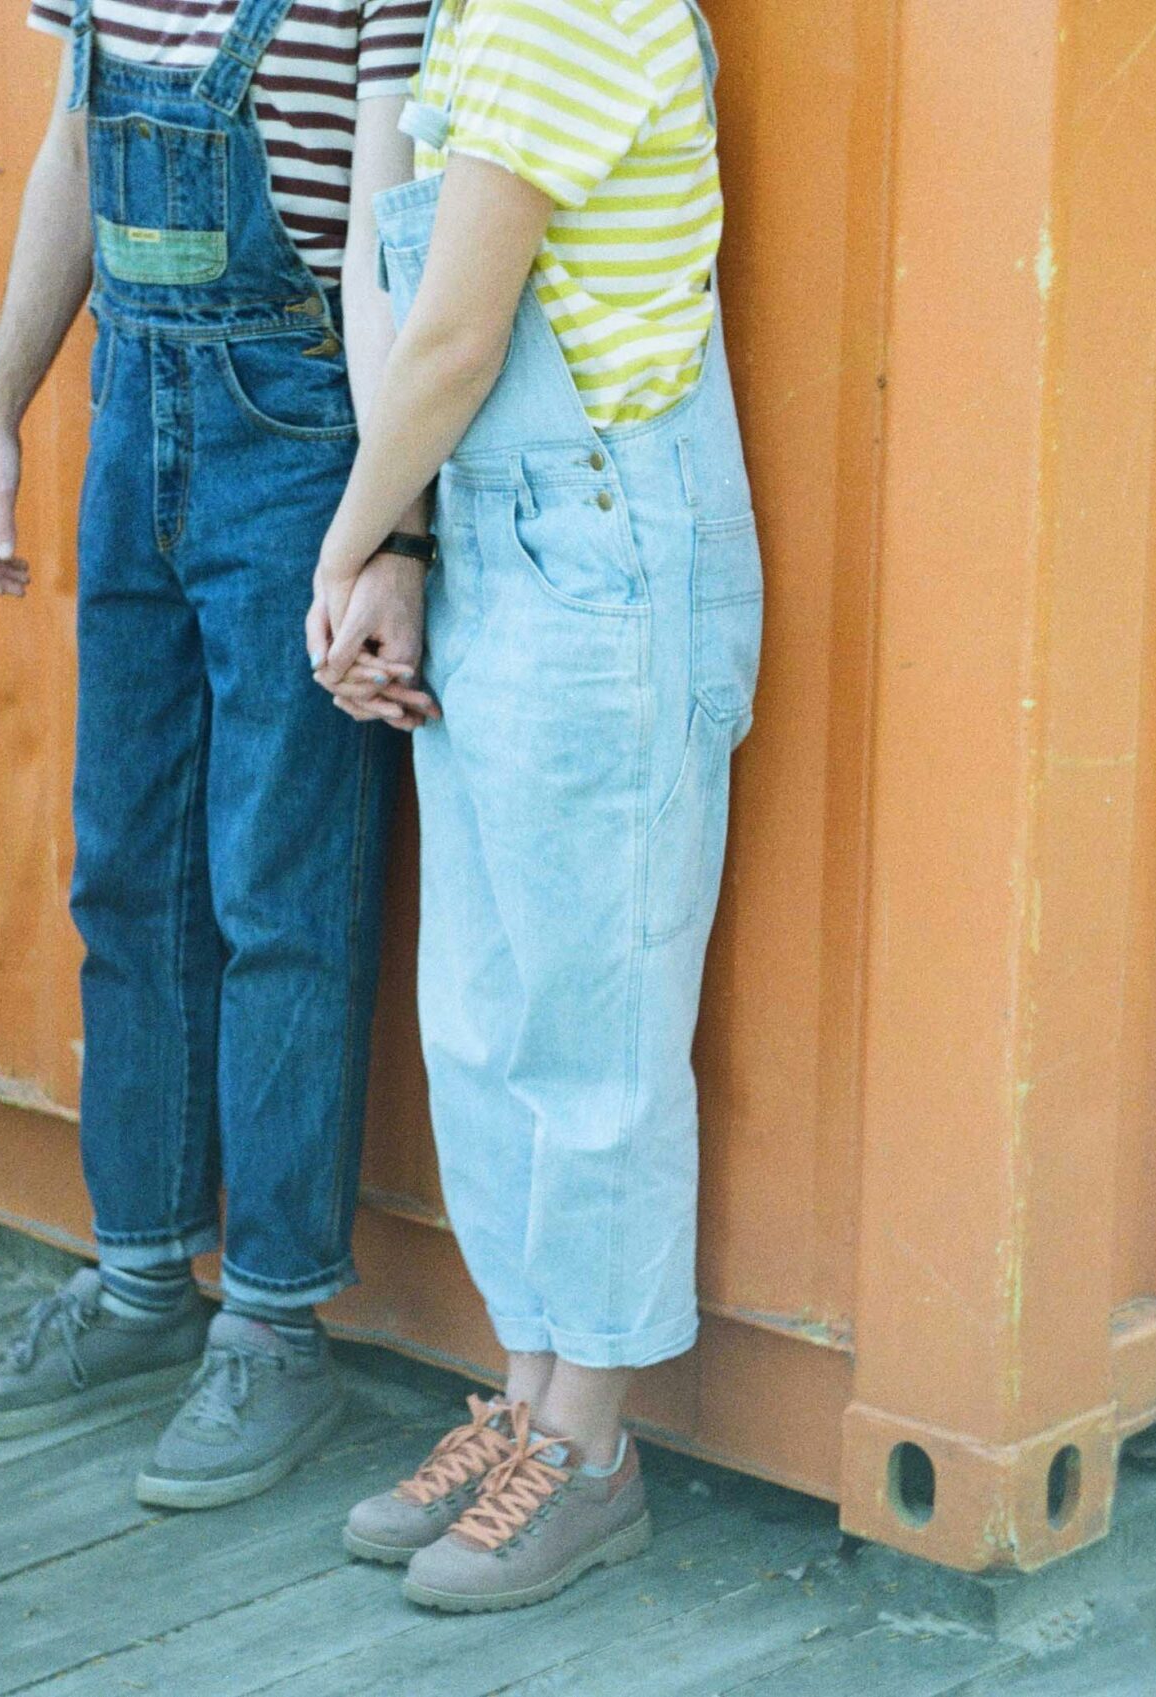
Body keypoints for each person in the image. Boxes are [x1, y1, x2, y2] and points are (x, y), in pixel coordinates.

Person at [0, 0, 437, 1511]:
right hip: (131, 406)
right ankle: (144, 1278)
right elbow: (75, 147)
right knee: (129, 869)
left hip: (295, 431)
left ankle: (277, 1323)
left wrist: (390, 520)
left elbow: (381, 229)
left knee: (282, 889)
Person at [305, 0, 762, 1611]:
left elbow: (451, 337)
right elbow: (398, 282)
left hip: (600, 557)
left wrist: (348, 544)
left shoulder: (566, 6)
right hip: (503, 541)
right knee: (486, 1014)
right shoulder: (471, 22)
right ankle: (527, 1398)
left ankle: (595, 1451)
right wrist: (413, 552)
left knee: (596, 1023)